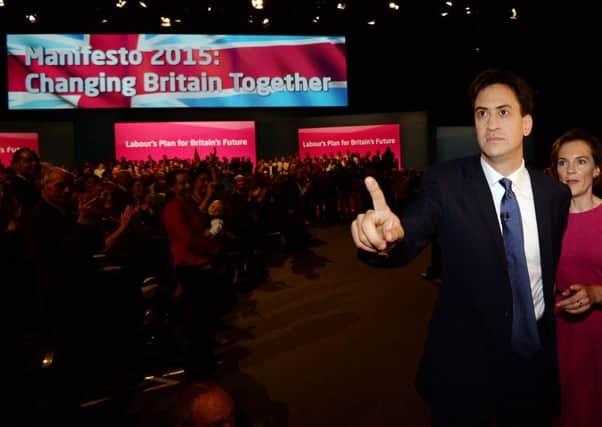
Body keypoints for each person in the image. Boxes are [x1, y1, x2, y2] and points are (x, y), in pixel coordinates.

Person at [351, 68, 571, 426]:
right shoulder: (445, 183)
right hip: (466, 368)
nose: (491, 123)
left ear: (526, 124)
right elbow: (409, 235)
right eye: (481, 113)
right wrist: (385, 241)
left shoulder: (554, 195)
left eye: (503, 112)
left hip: (534, 365)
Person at [549, 128, 602, 427]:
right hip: (558, 337)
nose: (570, 170)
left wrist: (596, 294)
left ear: (596, 170)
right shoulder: (547, 221)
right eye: (562, 162)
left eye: (581, 162)